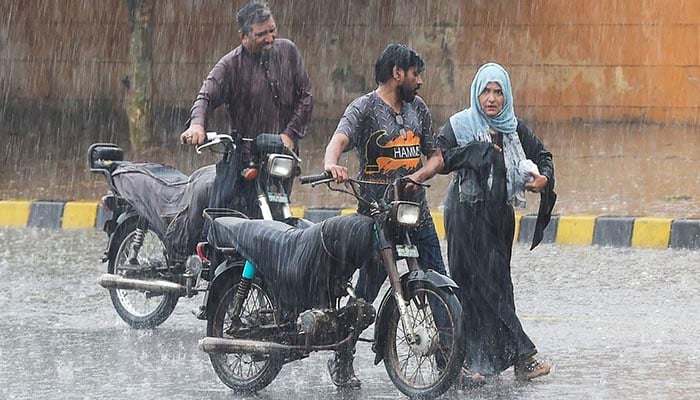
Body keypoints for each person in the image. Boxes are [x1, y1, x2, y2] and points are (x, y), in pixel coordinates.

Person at [323, 43, 446, 389]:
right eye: (415, 74)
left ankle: (448, 358)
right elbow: (338, 140)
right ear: (397, 74)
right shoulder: (362, 108)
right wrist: (332, 164)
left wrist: (418, 177)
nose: (420, 81)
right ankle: (342, 358)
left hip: (416, 215)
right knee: (365, 296)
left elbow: (436, 157)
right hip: (376, 219)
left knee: (440, 287)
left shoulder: (418, 109)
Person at [437, 62, 557, 383]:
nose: (491, 99)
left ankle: (479, 363)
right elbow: (440, 157)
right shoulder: (461, 124)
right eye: (486, 91)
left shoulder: (512, 128)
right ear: (477, 93)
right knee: (477, 285)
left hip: (499, 217)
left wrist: (543, 180)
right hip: (465, 213)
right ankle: (522, 357)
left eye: (498, 92)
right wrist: (475, 151)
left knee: (500, 285)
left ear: (506, 96)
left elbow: (543, 155)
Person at [180, 0, 312, 216]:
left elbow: (306, 96)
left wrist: (289, 134)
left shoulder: (288, 51)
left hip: (282, 156)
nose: (269, 39)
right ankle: (207, 247)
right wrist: (197, 124)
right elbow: (205, 96)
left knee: (279, 215)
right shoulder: (230, 65)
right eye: (261, 34)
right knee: (222, 215)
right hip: (246, 157)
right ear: (243, 36)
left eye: (272, 30)